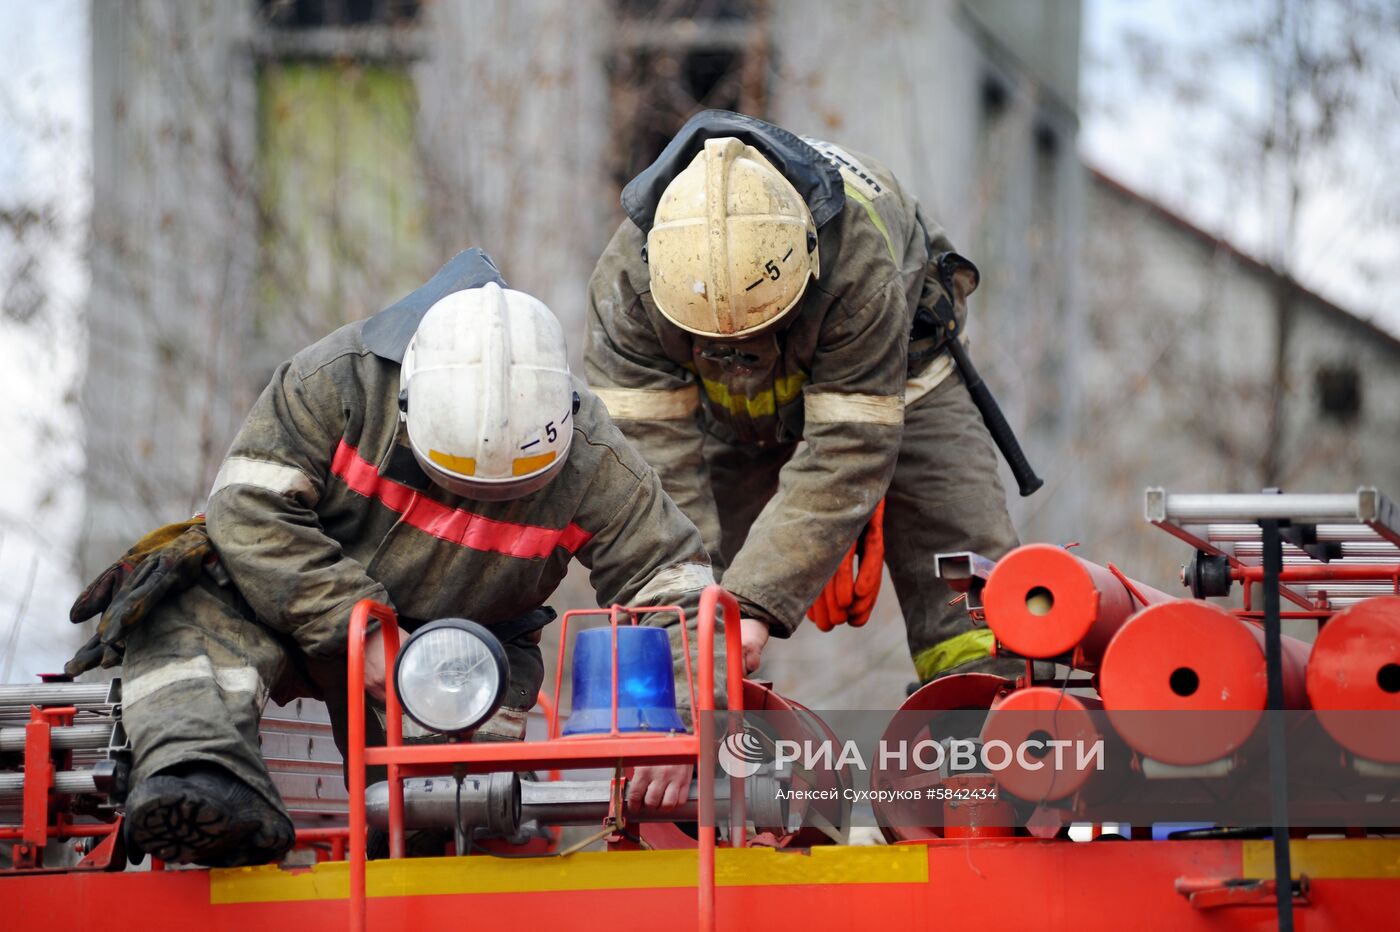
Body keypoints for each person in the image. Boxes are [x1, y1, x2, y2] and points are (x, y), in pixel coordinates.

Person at [70, 251, 709, 867]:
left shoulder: (595, 457)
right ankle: (203, 781)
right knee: (183, 588)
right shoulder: (335, 381)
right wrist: (362, 625)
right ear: (406, 400)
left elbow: (675, 580)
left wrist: (678, 723)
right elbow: (248, 510)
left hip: (464, 663)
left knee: (439, 834)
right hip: (287, 602)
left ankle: (433, 844)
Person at [585, 110, 1023, 686]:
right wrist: (700, 630)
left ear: (808, 256)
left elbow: (849, 448)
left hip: (904, 381)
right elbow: (648, 485)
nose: (739, 345)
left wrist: (760, 602)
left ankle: (985, 730)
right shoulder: (628, 285)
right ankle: (697, 738)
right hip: (727, 422)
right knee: (686, 614)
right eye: (717, 338)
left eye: (755, 327)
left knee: (970, 588)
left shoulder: (859, 265)